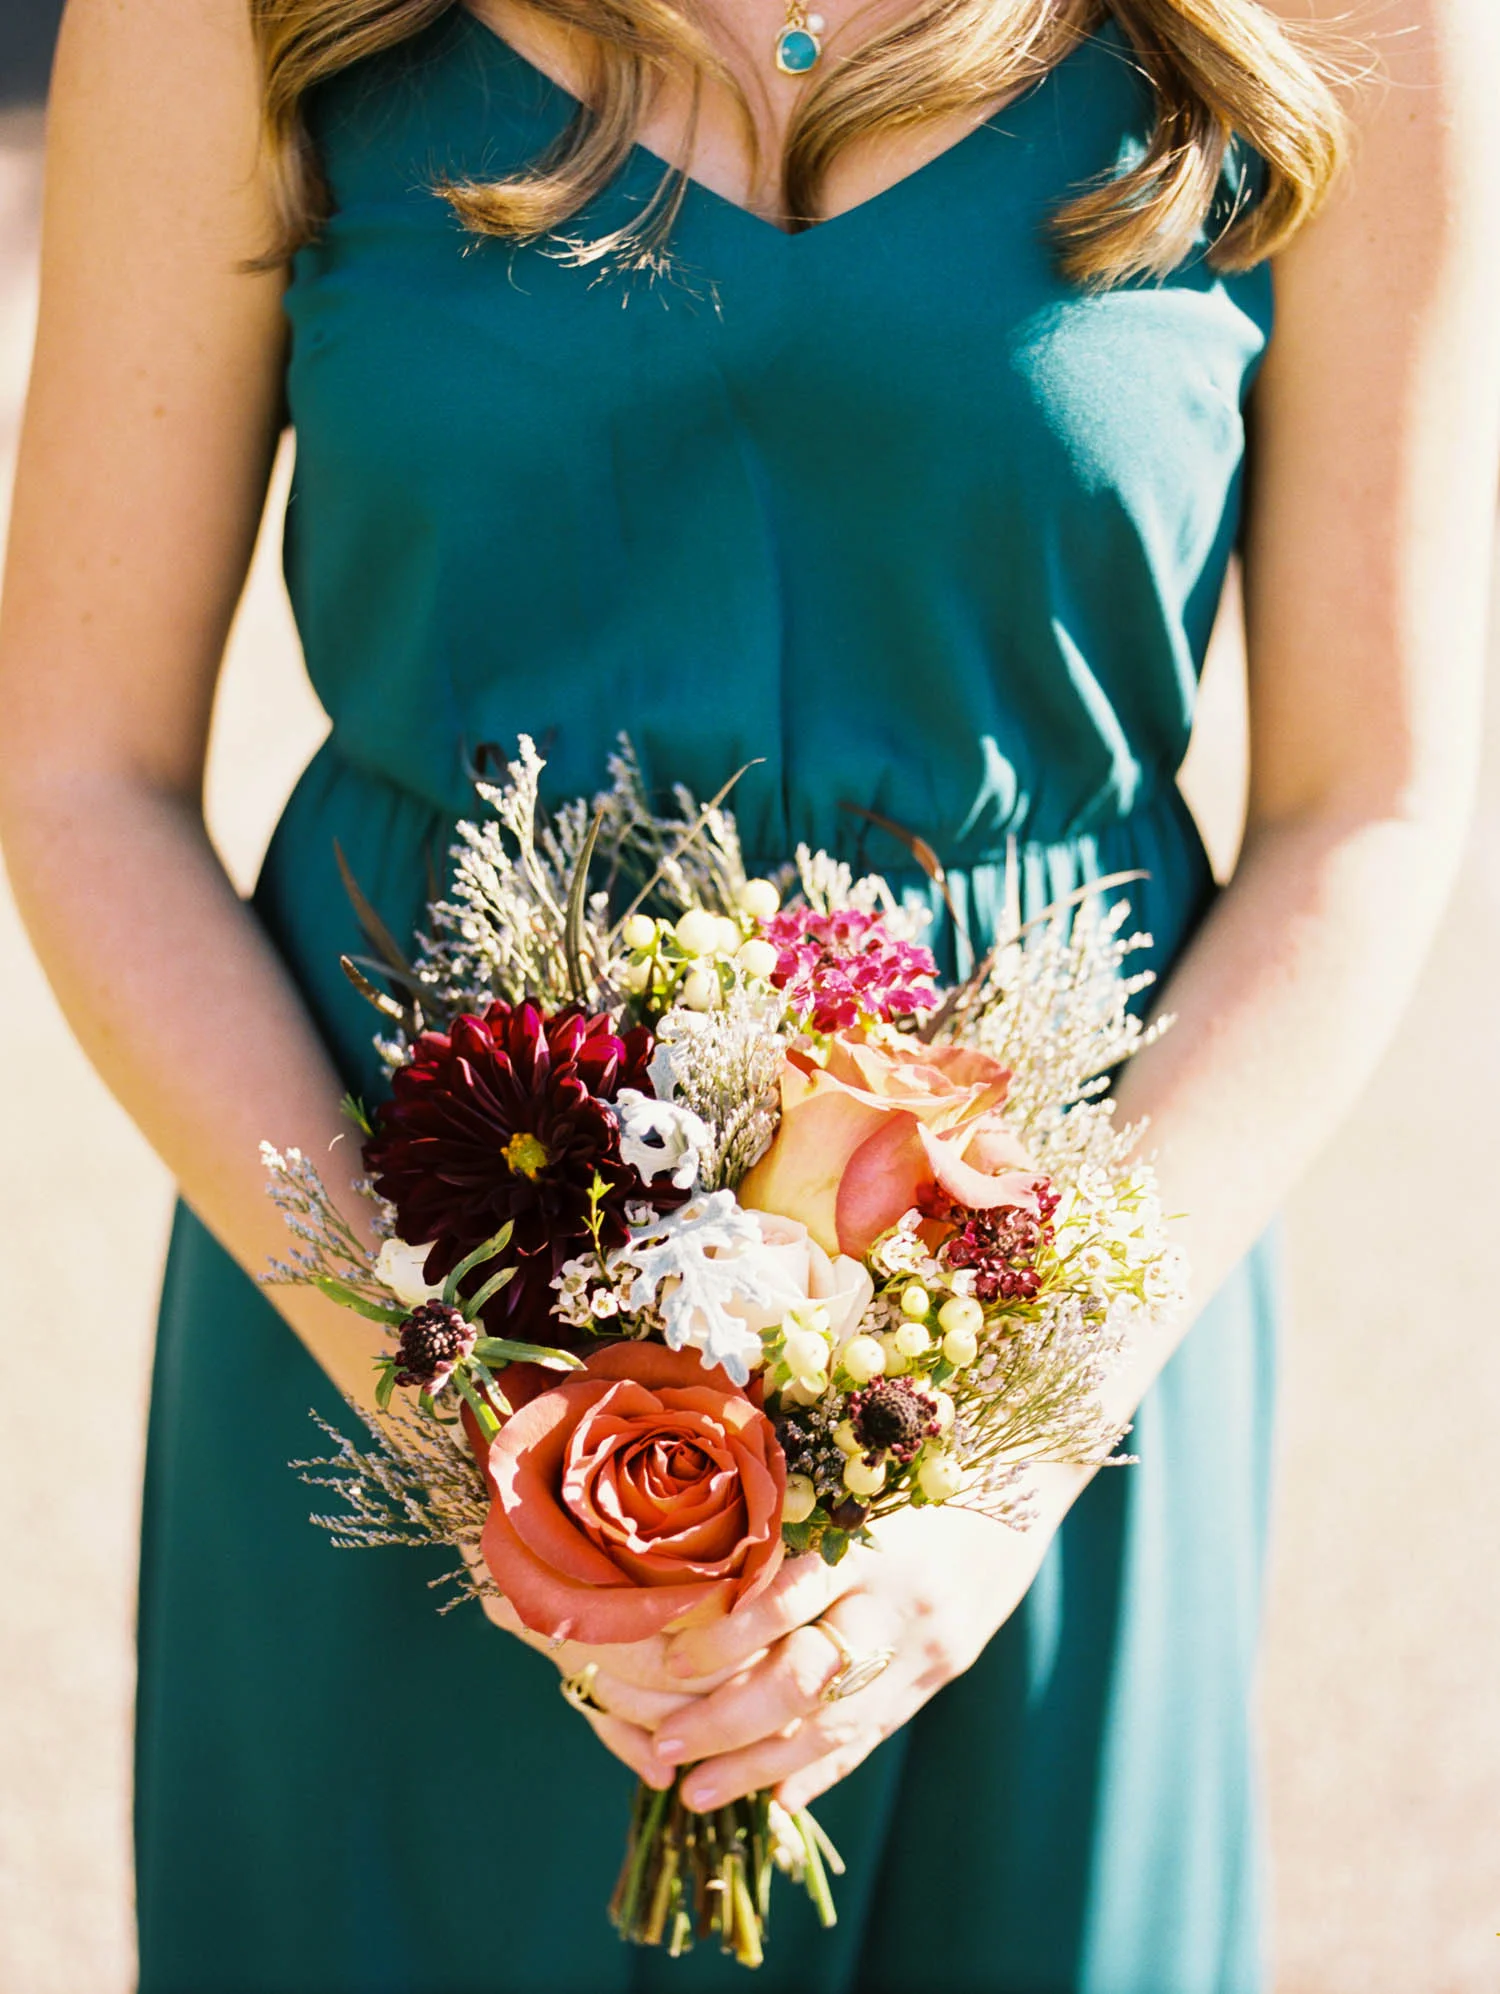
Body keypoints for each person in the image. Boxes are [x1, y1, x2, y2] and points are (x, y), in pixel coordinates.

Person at [0, 0, 1494, 1988]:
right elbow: (79, 773)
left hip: (1044, 1320)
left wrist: (1008, 1476)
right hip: (391, 1278)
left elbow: (1367, 806)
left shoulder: (1359, 23)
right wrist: (473, 1430)